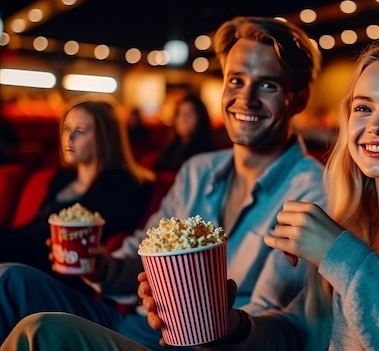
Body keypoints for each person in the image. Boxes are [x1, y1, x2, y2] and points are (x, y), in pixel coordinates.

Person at [2, 39, 379, 351]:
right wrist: (230, 325)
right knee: (20, 300)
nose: (376, 125)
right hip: (172, 330)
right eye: (363, 108)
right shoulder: (352, 216)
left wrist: (337, 253)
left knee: (41, 333)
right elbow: (300, 334)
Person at [0, 16, 325, 350]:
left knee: (41, 331)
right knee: (8, 280)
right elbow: (144, 251)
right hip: (136, 324)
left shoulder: (313, 192)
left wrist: (225, 325)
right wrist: (103, 267)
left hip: (209, 344)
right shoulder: (197, 170)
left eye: (267, 85)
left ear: (298, 100)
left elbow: (287, 324)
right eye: (236, 81)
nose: (246, 99)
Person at [0, 99, 154, 293]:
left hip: (67, 277)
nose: (69, 137)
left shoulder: (123, 185)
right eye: (66, 129)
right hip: (28, 256)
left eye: (80, 130)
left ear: (104, 138)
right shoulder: (62, 178)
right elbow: (34, 227)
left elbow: (87, 238)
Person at [151, 93, 217, 172]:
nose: (183, 119)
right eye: (180, 114)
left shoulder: (206, 153)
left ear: (201, 118)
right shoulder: (170, 148)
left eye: (189, 114)